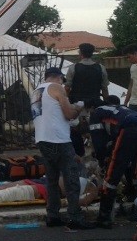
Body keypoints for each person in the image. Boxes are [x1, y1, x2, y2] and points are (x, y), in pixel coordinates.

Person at [85, 97, 137, 229]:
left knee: (113, 172)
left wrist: (102, 162)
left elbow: (99, 144)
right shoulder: (119, 109)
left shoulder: (96, 114)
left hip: (129, 129)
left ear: (90, 109)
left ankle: (104, 217)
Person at [31, 67, 95, 230]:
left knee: (51, 179)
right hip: (58, 139)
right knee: (71, 178)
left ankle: (52, 215)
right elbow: (69, 115)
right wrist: (79, 107)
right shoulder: (57, 87)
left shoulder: (36, 91)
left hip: (42, 139)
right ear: (59, 78)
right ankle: (74, 216)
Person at [65, 42, 110, 158]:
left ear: (80, 53)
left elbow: (67, 88)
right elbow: (105, 89)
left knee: (74, 132)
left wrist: (64, 103)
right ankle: (95, 156)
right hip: (94, 106)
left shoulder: (73, 68)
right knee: (95, 132)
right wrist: (108, 105)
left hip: (77, 106)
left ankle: (78, 156)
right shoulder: (101, 68)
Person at [0, 176, 98, 207]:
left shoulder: (90, 187)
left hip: (43, 187)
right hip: (42, 184)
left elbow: (82, 200)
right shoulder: (87, 183)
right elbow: (83, 200)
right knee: (5, 189)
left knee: (6, 190)